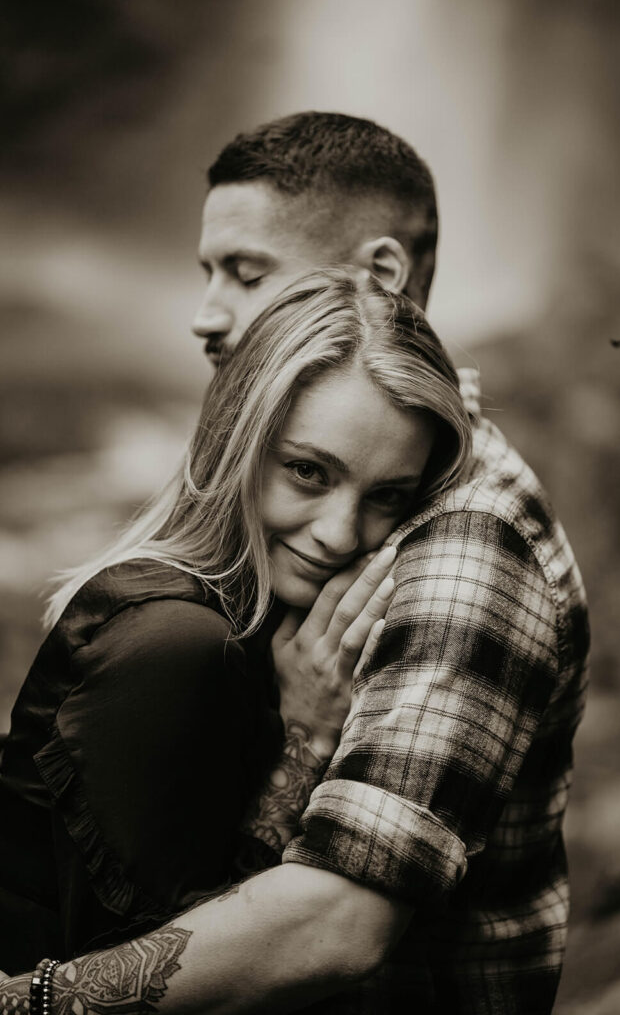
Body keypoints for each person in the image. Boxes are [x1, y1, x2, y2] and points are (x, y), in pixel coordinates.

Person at [0, 113, 589, 1015]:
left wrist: (26, 1004)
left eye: (248, 272)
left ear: (378, 278)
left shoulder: (463, 541)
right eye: (304, 469)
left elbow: (332, 924)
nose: (206, 315)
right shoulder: (191, 608)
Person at [0, 266, 471, 974]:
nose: (341, 534)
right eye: (308, 472)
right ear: (235, 442)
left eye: (387, 495)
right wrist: (305, 741)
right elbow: (154, 975)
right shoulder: (179, 645)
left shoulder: (250, 623)